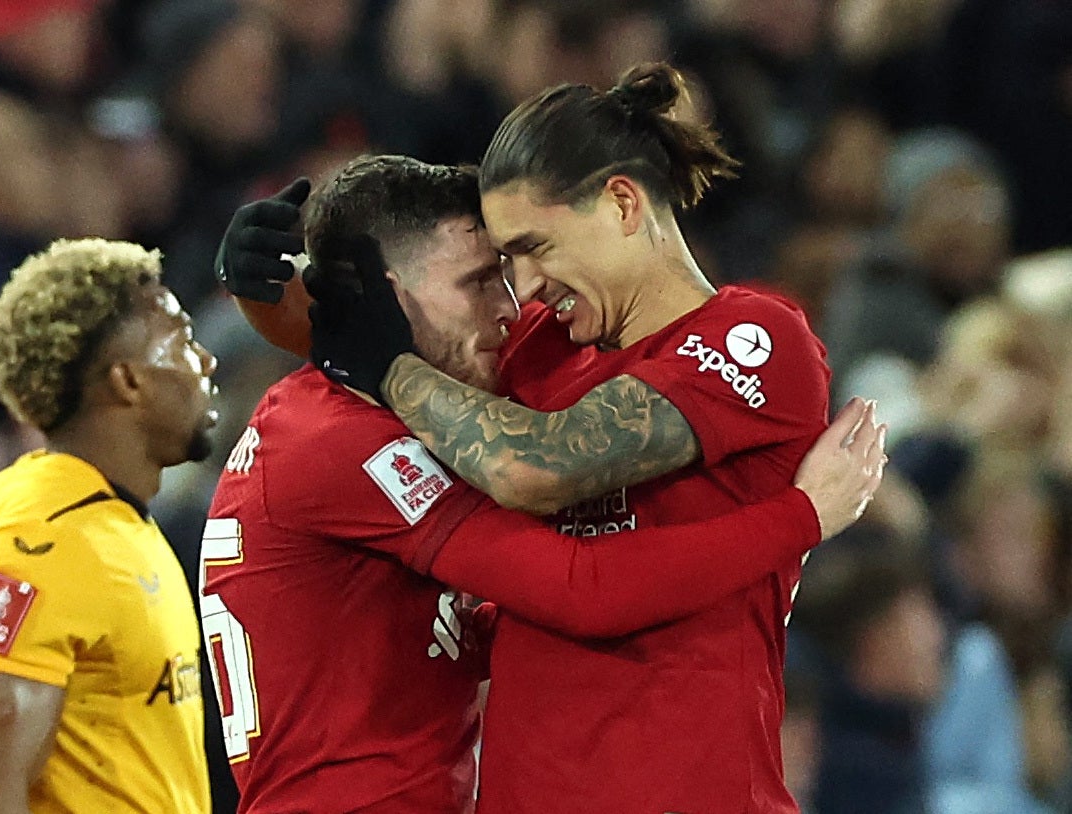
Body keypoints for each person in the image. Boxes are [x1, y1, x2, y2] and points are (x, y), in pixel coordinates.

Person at [209, 154, 886, 811]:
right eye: (478, 282)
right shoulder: (345, 444)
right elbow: (581, 587)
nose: (512, 306)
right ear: (381, 299)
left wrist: (269, 303)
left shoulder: (347, 419)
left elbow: (468, 632)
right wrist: (801, 518)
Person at [0, 237, 217, 813]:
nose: (206, 361)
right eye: (183, 340)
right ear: (128, 381)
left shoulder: (116, 520)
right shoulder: (40, 541)